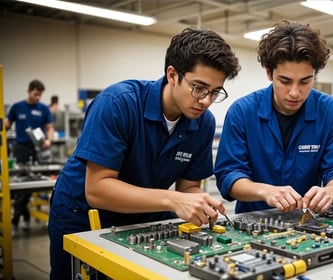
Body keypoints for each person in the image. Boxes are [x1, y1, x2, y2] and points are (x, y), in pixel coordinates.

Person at [48, 27, 240, 280]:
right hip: (82, 214)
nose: (205, 100)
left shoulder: (203, 124)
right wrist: (172, 200)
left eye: (215, 92)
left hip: (145, 215)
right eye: (199, 88)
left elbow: (189, 186)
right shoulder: (119, 103)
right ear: (172, 75)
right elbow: (97, 190)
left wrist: (199, 200)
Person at [214, 20, 333, 214]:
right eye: (285, 81)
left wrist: (330, 192)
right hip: (254, 223)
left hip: (309, 222)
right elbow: (228, 175)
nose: (295, 93)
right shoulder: (242, 112)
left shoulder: (331, 112)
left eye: (305, 81)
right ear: (269, 73)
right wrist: (265, 191)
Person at [5, 79, 54, 237]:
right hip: (21, 149)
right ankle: (17, 221)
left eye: (40, 95)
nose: (38, 97)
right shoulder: (17, 107)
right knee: (22, 187)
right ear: (29, 91)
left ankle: (21, 220)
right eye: (35, 94)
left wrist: (49, 140)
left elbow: (49, 127)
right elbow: (6, 124)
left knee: (35, 183)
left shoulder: (43, 109)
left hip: (37, 149)